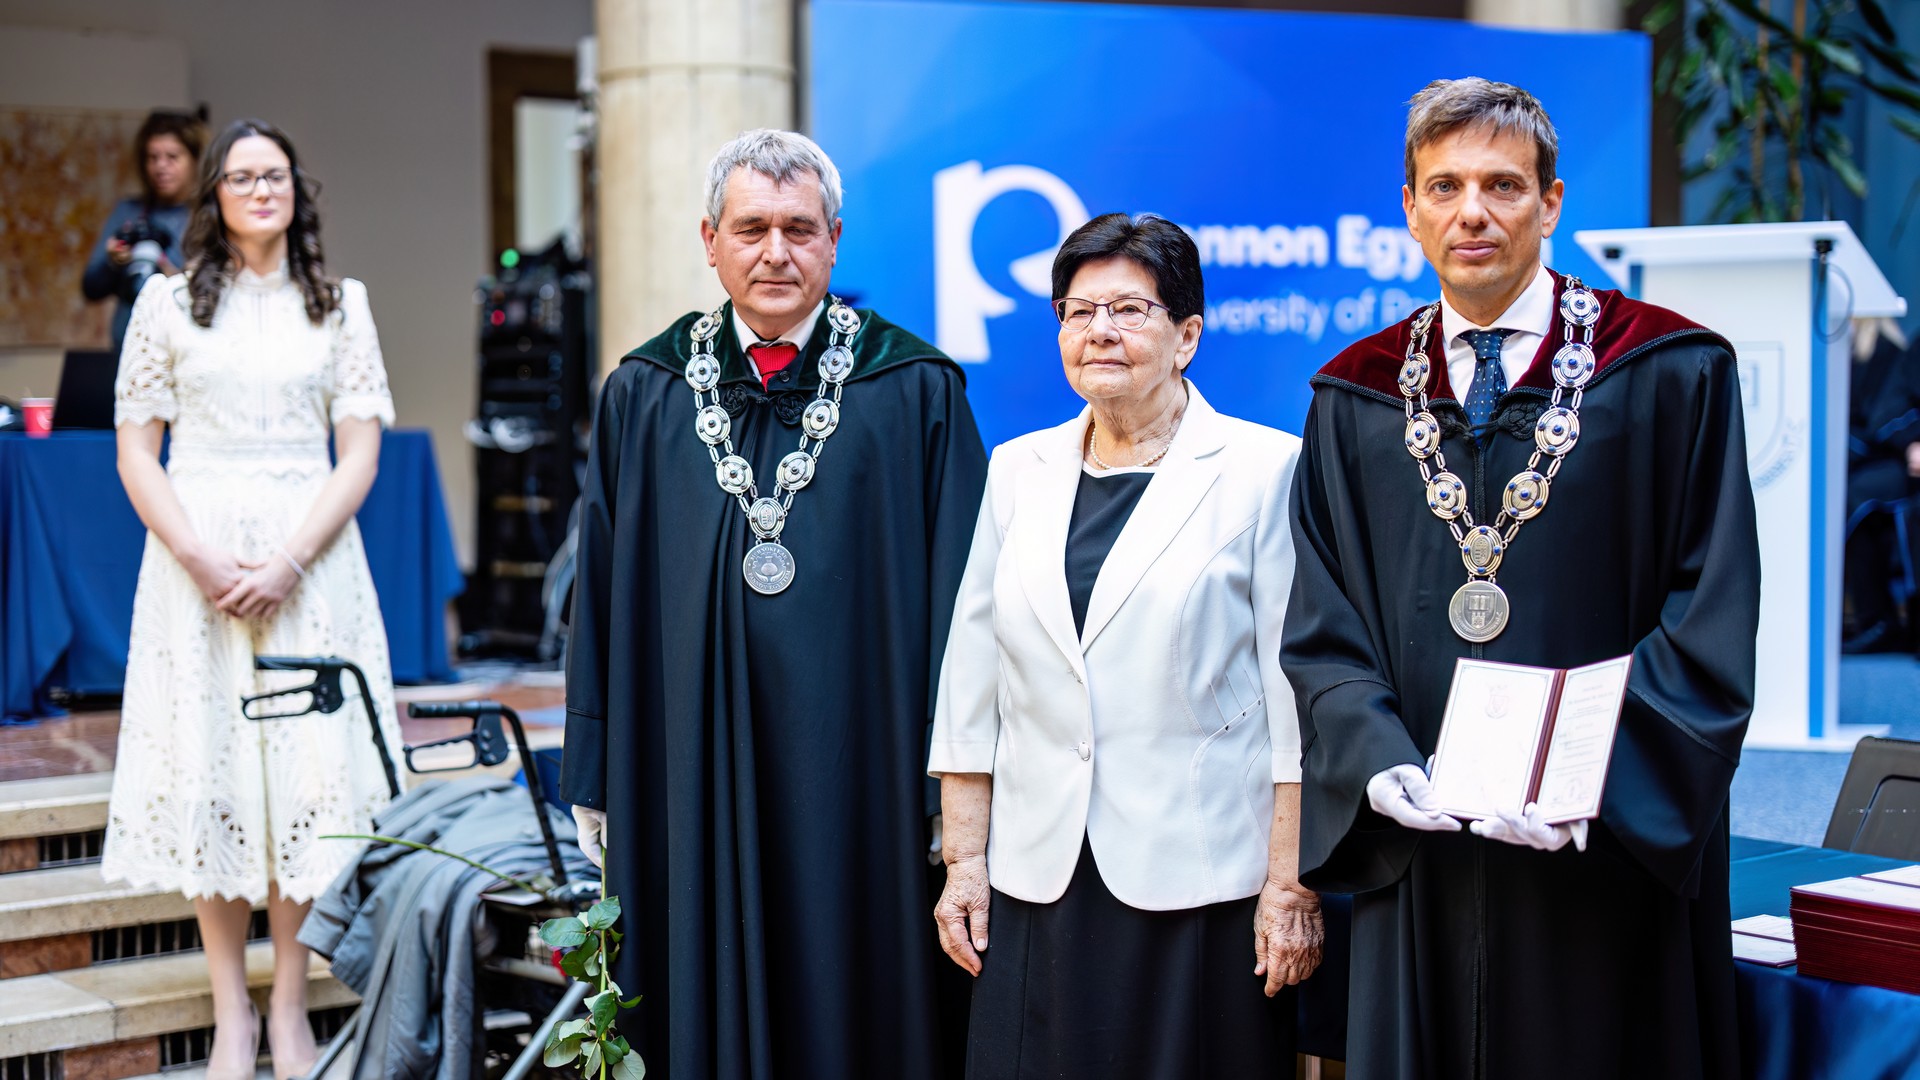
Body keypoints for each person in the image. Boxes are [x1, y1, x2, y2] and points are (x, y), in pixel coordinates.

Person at [1281, 79, 1760, 1079]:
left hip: (1602, 848)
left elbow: (1710, 604)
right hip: (1427, 843)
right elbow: (1324, 621)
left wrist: (1597, 777)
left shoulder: (1669, 370)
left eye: (1503, 186)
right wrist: (1375, 758)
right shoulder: (1354, 395)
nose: (1473, 213)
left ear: (1550, 203)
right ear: (1409, 209)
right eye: (1445, 187)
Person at [561, 129, 988, 1079]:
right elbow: (604, 588)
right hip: (688, 762)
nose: (775, 253)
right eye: (751, 229)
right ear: (709, 240)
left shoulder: (913, 390)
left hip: (865, 775)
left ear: (834, 241)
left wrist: (953, 790)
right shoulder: (645, 392)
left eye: (799, 229)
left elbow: (968, 605)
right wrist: (594, 765)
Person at [928, 212, 1322, 1079]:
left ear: (1188, 337)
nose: (1099, 330)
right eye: (1078, 311)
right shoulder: (1017, 470)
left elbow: (1294, 699)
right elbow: (972, 680)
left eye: (1130, 310)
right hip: (1036, 877)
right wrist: (963, 862)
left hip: (1200, 881)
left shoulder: (1265, 470)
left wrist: (1289, 884)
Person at [103, 118, 401, 1080]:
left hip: (310, 562)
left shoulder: (341, 305)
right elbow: (136, 452)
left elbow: (359, 451)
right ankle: (230, 1006)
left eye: (275, 175)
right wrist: (198, 557)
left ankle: (288, 1004)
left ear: (296, 191)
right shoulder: (164, 303)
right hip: (195, 563)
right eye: (242, 177)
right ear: (215, 195)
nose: (261, 189)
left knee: (303, 779)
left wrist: (290, 560)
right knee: (217, 772)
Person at [82, 109, 206, 352]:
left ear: (194, 159)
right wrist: (113, 262)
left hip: (188, 347)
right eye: (153, 157)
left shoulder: (210, 215)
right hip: (129, 348)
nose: (161, 166)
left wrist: (173, 276)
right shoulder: (129, 212)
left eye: (172, 157)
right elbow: (91, 289)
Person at [1843, 318, 1920, 652]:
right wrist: (1912, 443)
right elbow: (1890, 410)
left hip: (1893, 463)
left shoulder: (1885, 351)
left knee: (1865, 492)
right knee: (1856, 492)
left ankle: (1882, 620)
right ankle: (1876, 620)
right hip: (1902, 458)